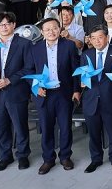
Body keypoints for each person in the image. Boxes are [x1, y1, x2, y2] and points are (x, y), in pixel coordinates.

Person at [30, 17, 80, 174]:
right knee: (46, 127)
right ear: (42, 32)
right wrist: (36, 87)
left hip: (63, 93)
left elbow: (76, 70)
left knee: (65, 127)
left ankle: (65, 156)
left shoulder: (69, 46)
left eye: (54, 28)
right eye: (47, 29)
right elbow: (29, 70)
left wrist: (76, 90)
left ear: (59, 29)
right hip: (44, 94)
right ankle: (48, 159)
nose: (51, 32)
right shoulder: (35, 48)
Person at [0, 12, 33, 171]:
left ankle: (23, 155)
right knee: (1, 127)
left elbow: (29, 68)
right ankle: (5, 156)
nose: (4, 27)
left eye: (7, 24)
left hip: (16, 90)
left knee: (20, 126)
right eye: (0, 25)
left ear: (14, 25)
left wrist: (9, 80)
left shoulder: (24, 44)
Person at [80, 24, 112, 173]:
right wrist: (81, 82)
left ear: (107, 37)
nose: (97, 41)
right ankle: (96, 159)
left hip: (111, 98)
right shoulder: (86, 54)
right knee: (93, 133)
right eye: (93, 38)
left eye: (100, 37)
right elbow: (82, 75)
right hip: (91, 99)